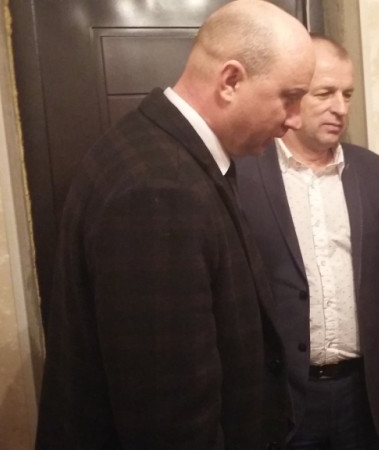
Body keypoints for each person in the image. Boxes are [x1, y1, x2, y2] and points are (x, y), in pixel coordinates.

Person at [35, 1, 315, 448]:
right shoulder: (160, 190)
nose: (296, 119)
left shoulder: (164, 150)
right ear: (230, 81)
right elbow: (170, 421)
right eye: (290, 96)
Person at [235, 34, 379, 448]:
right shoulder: (243, 174)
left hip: (363, 394)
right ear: (292, 97)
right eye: (325, 93)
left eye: (347, 94)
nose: (340, 107)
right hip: (280, 400)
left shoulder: (374, 174)